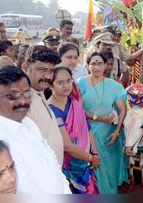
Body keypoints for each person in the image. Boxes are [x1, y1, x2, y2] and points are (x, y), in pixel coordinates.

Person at [0, 66, 70, 193]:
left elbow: (53, 163)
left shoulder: (27, 122)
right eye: (13, 95)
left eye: (27, 94)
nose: (22, 101)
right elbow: (24, 189)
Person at [76, 52, 127, 194]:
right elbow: (78, 110)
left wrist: (117, 132)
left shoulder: (113, 85)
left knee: (108, 167)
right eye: (93, 63)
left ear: (105, 65)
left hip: (108, 135)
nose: (96, 67)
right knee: (92, 165)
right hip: (87, 132)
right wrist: (100, 118)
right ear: (87, 65)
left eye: (100, 63)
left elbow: (122, 110)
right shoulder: (80, 83)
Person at [48, 65, 100, 194]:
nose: (66, 85)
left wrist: (95, 153)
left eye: (68, 81)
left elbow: (87, 129)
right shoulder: (51, 109)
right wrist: (91, 158)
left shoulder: (74, 103)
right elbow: (67, 146)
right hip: (66, 167)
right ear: (50, 85)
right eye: (60, 82)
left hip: (85, 163)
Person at [21, 45, 64, 166]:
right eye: (42, 70)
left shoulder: (39, 92)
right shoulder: (22, 102)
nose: (48, 76)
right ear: (25, 67)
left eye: (51, 71)